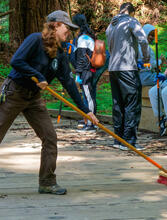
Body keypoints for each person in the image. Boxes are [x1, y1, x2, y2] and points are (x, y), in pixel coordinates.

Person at [0, 10, 99, 195]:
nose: (69, 32)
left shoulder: (60, 54)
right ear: (54, 25)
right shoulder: (35, 39)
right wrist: (37, 75)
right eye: (66, 27)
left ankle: (47, 181)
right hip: (15, 93)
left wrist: (85, 110)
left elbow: (69, 83)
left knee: (50, 137)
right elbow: (17, 61)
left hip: (34, 98)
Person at [106, 2, 150, 151]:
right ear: (132, 12)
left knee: (118, 104)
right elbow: (143, 40)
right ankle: (130, 140)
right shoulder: (131, 21)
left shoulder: (111, 24)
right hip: (127, 67)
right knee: (132, 103)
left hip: (113, 68)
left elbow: (109, 46)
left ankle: (118, 139)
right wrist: (146, 59)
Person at [71, 14, 97, 132]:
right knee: (89, 95)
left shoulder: (82, 39)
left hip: (86, 72)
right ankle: (89, 120)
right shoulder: (88, 36)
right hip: (89, 71)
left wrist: (78, 73)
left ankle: (92, 124)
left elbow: (82, 58)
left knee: (89, 97)